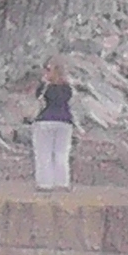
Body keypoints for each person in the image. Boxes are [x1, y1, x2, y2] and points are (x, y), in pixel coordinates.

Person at [33, 59, 75, 191]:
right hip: (65, 120)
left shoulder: (45, 87)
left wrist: (44, 82)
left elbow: (38, 98)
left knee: (43, 152)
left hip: (45, 119)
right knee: (62, 153)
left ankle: (45, 183)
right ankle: (62, 182)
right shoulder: (67, 88)